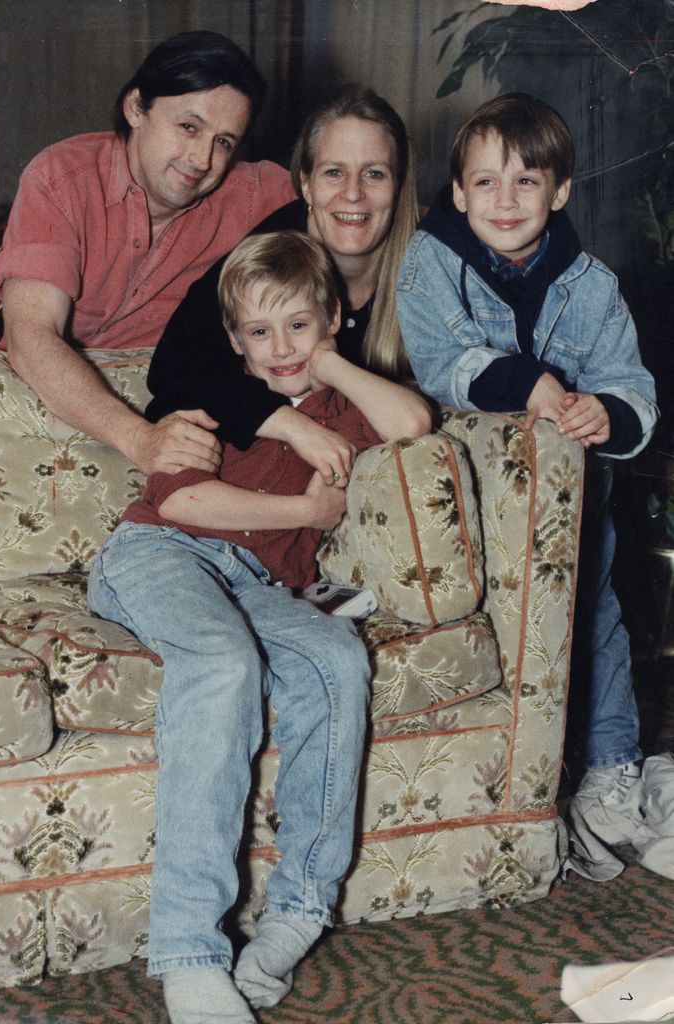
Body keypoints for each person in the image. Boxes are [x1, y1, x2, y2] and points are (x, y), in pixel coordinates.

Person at [87, 230, 432, 1024]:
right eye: (258, 332)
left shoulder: (345, 403)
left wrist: (331, 363)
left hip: (264, 583)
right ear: (233, 338)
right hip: (160, 553)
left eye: (298, 326)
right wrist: (305, 511)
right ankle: (189, 952)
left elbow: (411, 421)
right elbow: (181, 503)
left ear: (331, 318)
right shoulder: (217, 395)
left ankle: (297, 914)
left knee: (338, 664)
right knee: (222, 663)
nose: (279, 349)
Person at [395, 93, 661, 882]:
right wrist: (533, 383)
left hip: (570, 499)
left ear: (562, 191)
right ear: (457, 192)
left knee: (595, 614)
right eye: (484, 183)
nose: (505, 202)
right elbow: (442, 359)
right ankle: (510, 779)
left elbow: (632, 384)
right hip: (467, 492)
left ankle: (613, 767)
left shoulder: (593, 284)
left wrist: (604, 414)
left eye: (526, 182)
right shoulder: (430, 260)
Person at [0, 31, 295, 476]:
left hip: (168, 418)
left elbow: (351, 201)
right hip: (37, 407)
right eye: (189, 127)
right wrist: (140, 439)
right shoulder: (61, 178)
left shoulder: (254, 194)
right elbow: (30, 337)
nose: (202, 159)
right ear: (136, 108)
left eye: (225, 142)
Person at [144, 84, 418, 486]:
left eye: (374, 174)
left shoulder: (430, 261)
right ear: (306, 184)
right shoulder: (271, 255)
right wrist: (293, 426)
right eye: (334, 173)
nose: (354, 193)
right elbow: (172, 369)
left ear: (398, 185)